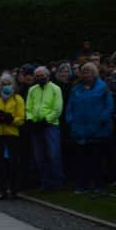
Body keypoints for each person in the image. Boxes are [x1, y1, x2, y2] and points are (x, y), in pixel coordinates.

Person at [65, 62, 114, 196]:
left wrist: (101, 121)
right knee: (81, 161)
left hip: (98, 131)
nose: (86, 74)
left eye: (89, 72)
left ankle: (99, 186)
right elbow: (70, 107)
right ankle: (82, 185)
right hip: (79, 131)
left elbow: (109, 107)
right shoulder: (76, 89)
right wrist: (71, 121)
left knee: (97, 161)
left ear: (94, 73)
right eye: (84, 72)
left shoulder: (103, 88)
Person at [0, 74, 25, 200]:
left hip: (12, 134)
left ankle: (14, 191)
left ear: (13, 85)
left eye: (8, 83)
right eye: (3, 84)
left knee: (14, 164)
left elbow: (21, 118)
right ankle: (3, 190)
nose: (6, 86)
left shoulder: (18, 99)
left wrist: (10, 119)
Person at [25, 66, 64, 191]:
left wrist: (47, 120)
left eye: (42, 75)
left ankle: (57, 182)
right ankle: (45, 183)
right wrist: (30, 119)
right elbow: (28, 107)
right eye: (38, 76)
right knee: (39, 156)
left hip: (51, 126)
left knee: (53, 154)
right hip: (36, 126)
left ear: (48, 76)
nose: (40, 78)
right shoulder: (32, 90)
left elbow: (57, 108)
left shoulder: (55, 89)